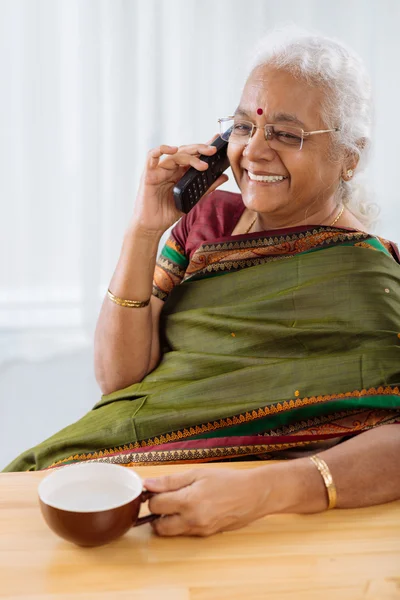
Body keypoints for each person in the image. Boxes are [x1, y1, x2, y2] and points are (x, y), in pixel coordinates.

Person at [5, 28, 400, 538]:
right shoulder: (207, 222)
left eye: (285, 133)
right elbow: (118, 379)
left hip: (258, 518)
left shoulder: (373, 277)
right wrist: (145, 228)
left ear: (350, 155)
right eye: (242, 126)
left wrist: (261, 490)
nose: (253, 151)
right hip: (125, 479)